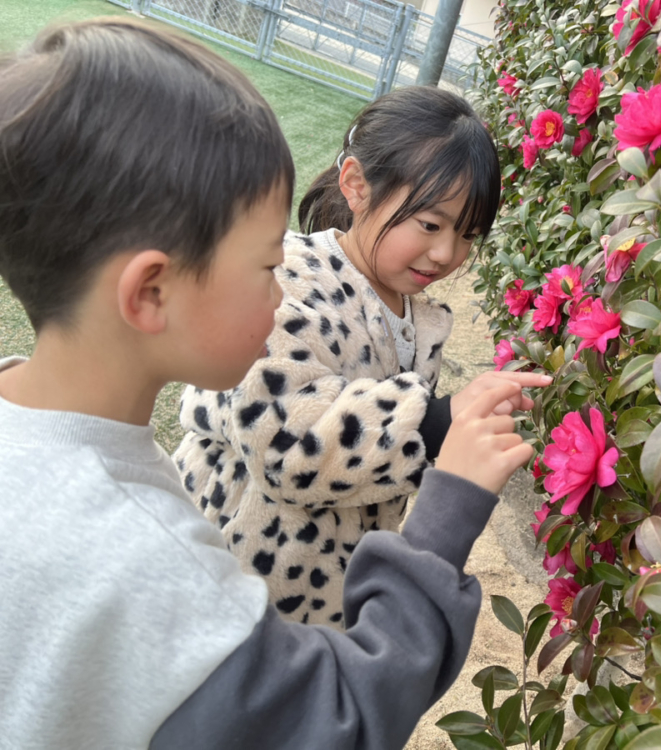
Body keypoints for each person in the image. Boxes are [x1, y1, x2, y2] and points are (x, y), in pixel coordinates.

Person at [0, 18, 547, 749]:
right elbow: (336, 717)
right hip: (267, 592)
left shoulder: (60, 460)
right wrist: (444, 466)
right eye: (265, 267)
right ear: (151, 292)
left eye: (467, 236)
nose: (278, 287)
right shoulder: (153, 564)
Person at [172, 85, 550, 628]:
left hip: (321, 604)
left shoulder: (417, 318)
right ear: (356, 185)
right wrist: (436, 421)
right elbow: (285, 448)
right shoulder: (284, 281)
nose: (446, 253)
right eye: (429, 224)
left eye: (467, 235)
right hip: (224, 589)